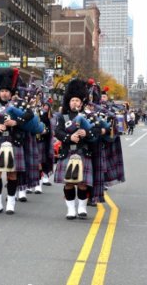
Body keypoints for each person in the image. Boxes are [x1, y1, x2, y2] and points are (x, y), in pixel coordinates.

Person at [0, 69, 28, 215]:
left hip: (14, 141)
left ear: (11, 92)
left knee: (12, 174)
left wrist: (15, 122)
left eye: (7, 91)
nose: (4, 93)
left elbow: (30, 116)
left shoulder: (18, 105)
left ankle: (10, 202)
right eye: (2, 90)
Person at [53, 79, 95, 219]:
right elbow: (58, 132)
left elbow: (95, 133)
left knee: (82, 184)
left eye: (77, 100)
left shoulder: (88, 116)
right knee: (69, 183)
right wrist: (69, 138)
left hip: (83, 151)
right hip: (67, 152)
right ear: (68, 102)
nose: (75, 103)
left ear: (81, 102)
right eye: (72, 100)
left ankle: (82, 208)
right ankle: (71, 209)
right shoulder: (63, 116)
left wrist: (87, 133)